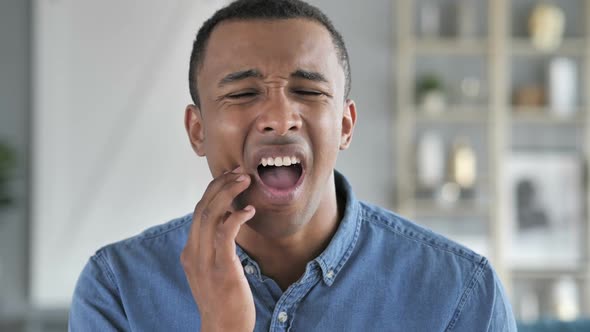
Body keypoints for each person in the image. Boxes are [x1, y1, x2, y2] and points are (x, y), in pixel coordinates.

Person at [69, 0, 518, 331]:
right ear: (197, 130)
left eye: (308, 91)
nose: (280, 118)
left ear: (345, 125)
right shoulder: (116, 291)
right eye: (243, 93)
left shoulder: (461, 293)